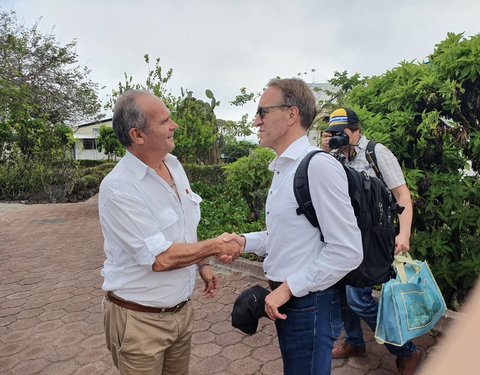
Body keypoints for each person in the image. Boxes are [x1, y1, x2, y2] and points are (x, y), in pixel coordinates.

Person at [98, 89, 242, 375]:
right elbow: (159, 258)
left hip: (181, 313)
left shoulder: (174, 166)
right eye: (165, 121)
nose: (174, 125)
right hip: (139, 321)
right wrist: (214, 247)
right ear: (137, 135)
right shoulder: (119, 188)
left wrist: (201, 263)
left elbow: (185, 228)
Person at [234, 78, 363, 375]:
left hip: (310, 304)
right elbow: (289, 235)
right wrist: (244, 242)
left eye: (262, 112)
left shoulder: (317, 166)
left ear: (292, 114)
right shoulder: (285, 167)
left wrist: (289, 288)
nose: (256, 121)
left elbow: (347, 250)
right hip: (294, 301)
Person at [321, 108, 423, 375]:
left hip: (373, 238)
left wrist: (404, 234)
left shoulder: (376, 153)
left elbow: (402, 195)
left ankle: (408, 351)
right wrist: (322, 153)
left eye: (341, 134)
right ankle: (355, 342)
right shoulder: (332, 156)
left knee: (358, 299)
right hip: (343, 237)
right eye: (331, 134)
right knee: (342, 294)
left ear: (356, 131)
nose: (336, 139)